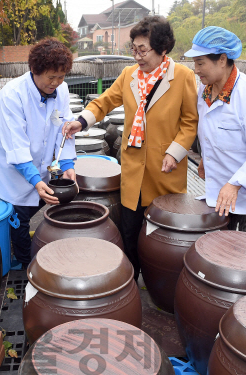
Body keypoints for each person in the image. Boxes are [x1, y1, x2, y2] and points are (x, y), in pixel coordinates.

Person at [63, 16, 198, 280]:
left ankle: (158, 280)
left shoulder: (182, 77)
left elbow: (190, 122)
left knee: (162, 233)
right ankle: (131, 281)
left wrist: (175, 152)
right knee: (129, 230)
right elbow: (104, 102)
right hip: (133, 169)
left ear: (162, 49)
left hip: (165, 169)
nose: (136, 56)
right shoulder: (129, 76)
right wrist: (81, 121)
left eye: (143, 50)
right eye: (133, 49)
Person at [185, 26, 246, 237]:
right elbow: (211, 129)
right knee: (222, 247)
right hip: (222, 186)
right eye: (195, 63)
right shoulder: (204, 90)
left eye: (200, 63)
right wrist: (206, 157)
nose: (196, 69)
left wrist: (235, 184)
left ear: (222, 59)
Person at [0, 38, 77, 268]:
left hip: (43, 163)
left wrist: (67, 165)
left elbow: (64, 129)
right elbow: (16, 145)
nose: (56, 83)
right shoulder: (12, 95)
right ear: (34, 70)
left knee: (41, 203)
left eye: (61, 76)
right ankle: (24, 265)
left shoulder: (61, 89)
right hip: (15, 173)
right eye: (51, 77)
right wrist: (35, 180)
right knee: (19, 218)